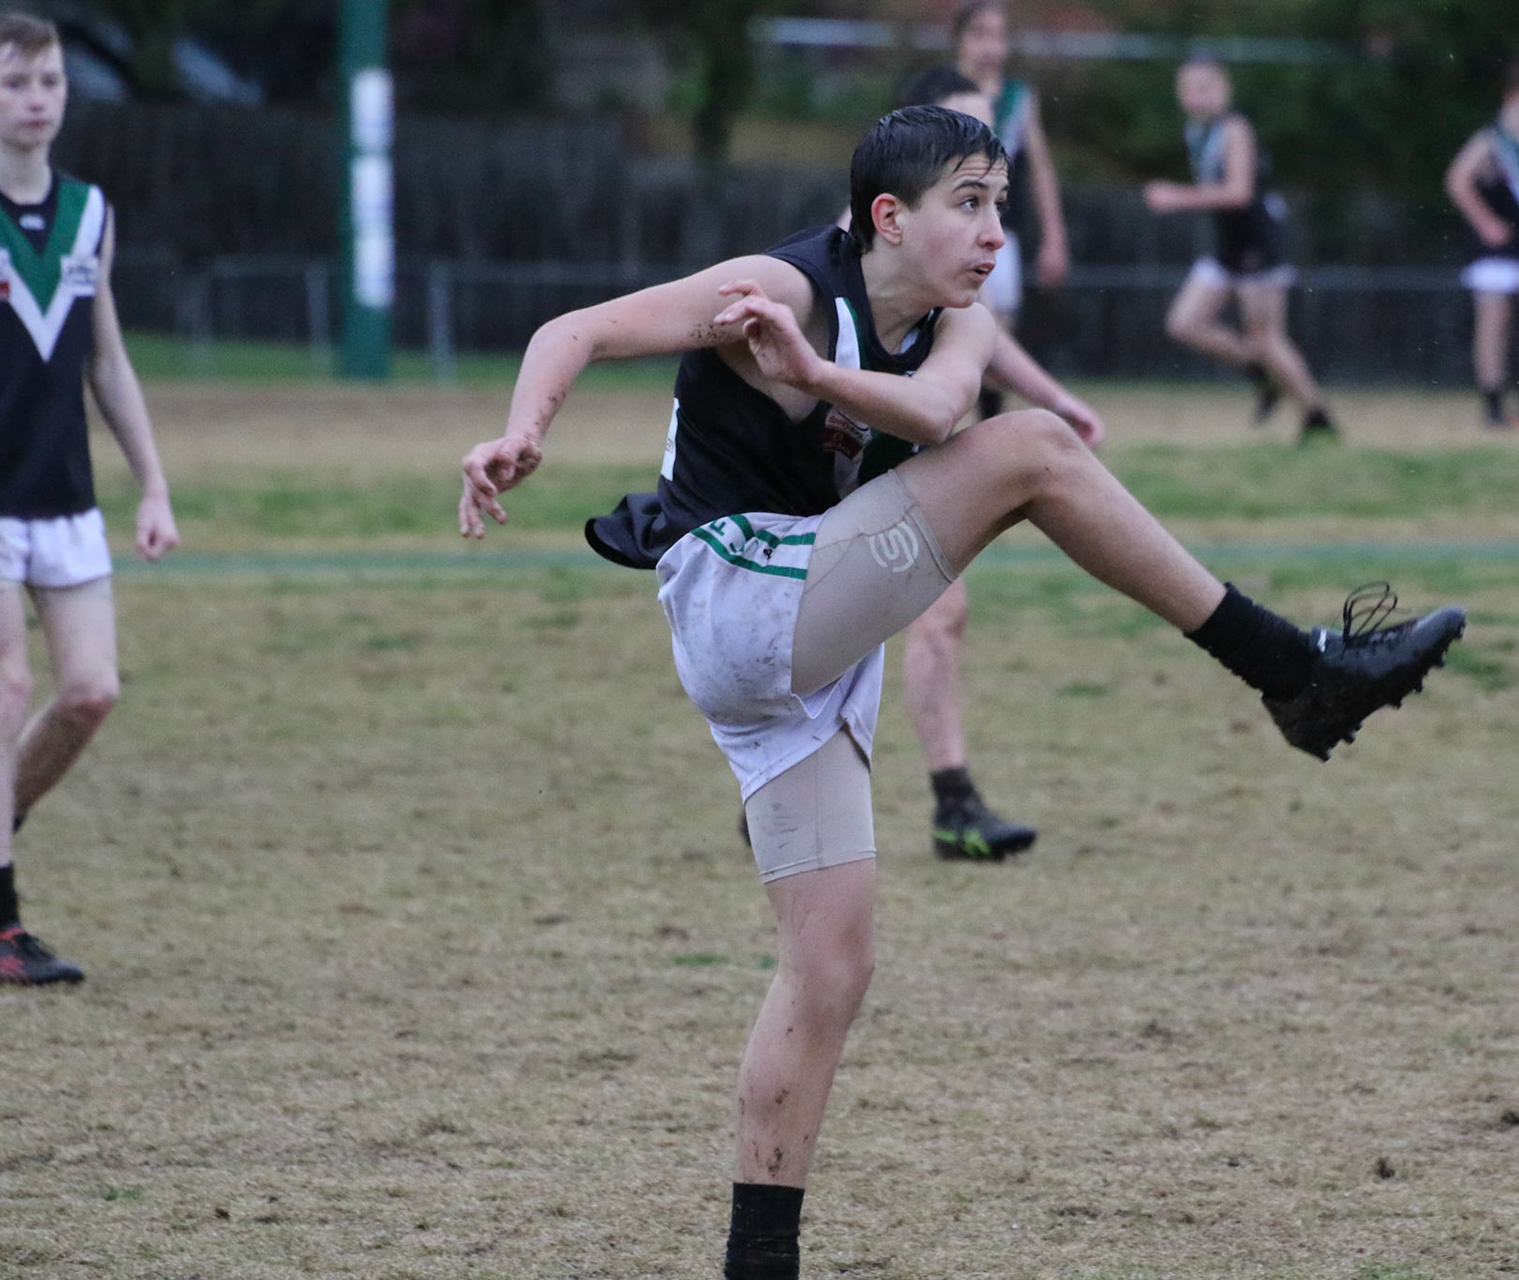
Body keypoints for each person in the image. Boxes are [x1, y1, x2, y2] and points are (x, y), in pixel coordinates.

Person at [457, 106, 1464, 1280]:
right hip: (742, 593)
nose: (995, 233)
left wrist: (813, 376)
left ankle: (757, 1261)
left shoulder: (960, 323)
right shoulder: (779, 285)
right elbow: (573, 328)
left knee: (831, 969)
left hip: (803, 627)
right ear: (889, 217)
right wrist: (520, 432)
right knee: (1034, 450)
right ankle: (1295, 673)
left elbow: (938, 415)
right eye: (970, 205)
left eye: (1001, 205)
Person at [0, 12, 178, 986]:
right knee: (7, 690)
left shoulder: (88, 213)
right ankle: (3, 926)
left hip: (62, 495)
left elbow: (105, 358)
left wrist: (152, 485)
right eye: (15, 83)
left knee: (90, 693)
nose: (36, 100)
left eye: (50, 82)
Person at [888, 62, 1105, 861]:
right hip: (832, 467)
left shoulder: (954, 240)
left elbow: (975, 332)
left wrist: (1054, 398)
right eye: (965, 126)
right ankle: (793, 782)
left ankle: (946, 804)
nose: (984, 144)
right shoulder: (869, 236)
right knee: (843, 638)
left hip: (905, 459)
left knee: (935, 614)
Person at [1145, 56, 1337, 442]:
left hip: (1257, 245)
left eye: (1204, 87)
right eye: (1187, 89)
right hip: (1226, 246)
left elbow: (1239, 192)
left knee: (1267, 337)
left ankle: (1316, 418)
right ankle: (1261, 372)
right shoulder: (1196, 131)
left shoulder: (1235, 129)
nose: (1195, 96)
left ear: (1224, 89)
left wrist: (1176, 197)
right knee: (1184, 324)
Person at [951, 0, 1069, 422]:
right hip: (948, 232)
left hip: (1000, 233)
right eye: (980, 33)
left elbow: (1040, 169)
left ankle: (988, 432)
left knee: (995, 338)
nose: (991, 46)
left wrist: (1054, 237)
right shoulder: (942, 91)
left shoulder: (1018, 97)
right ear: (959, 39)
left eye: (998, 36)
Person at [1445, 55, 1519, 428]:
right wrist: (1485, 222)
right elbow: (1457, 180)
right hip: (1495, 245)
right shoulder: (1491, 139)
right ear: (1516, 95)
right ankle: (1493, 406)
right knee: (1494, 320)